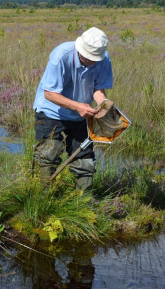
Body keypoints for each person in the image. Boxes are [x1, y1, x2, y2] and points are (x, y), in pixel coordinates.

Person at [32, 27, 113, 191]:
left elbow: (98, 88)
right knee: (47, 155)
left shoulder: (103, 59)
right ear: (80, 50)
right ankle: (42, 199)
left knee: (84, 159)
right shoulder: (60, 56)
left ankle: (83, 205)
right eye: (90, 58)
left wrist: (103, 103)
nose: (93, 62)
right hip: (51, 112)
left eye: (95, 59)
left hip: (81, 116)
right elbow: (49, 94)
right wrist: (78, 106)